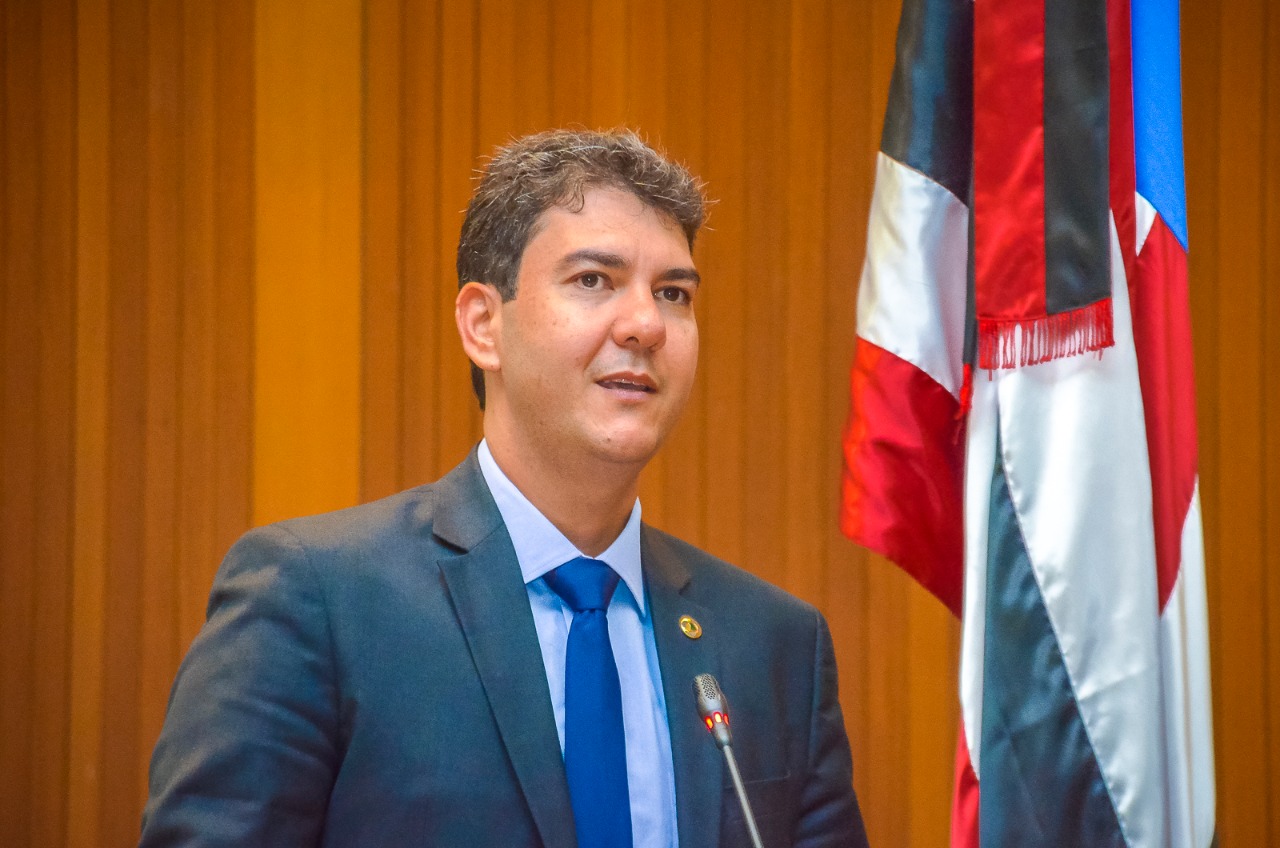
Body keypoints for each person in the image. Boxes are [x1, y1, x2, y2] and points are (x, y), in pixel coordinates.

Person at [141, 128, 870, 848]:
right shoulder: (316, 602)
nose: (647, 324)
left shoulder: (775, 645)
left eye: (673, 293)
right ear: (483, 325)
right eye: (594, 280)